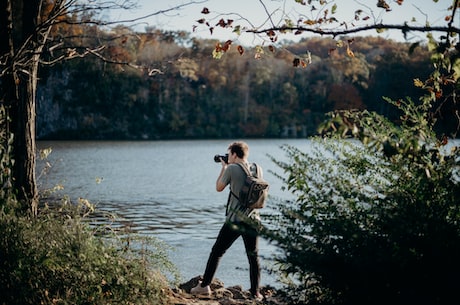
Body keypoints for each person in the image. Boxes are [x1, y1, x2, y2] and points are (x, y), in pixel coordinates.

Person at [191, 141, 263, 300]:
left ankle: (204, 286)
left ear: (235, 154)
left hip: (235, 220)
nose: (228, 156)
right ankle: (255, 293)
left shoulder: (231, 168)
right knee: (253, 257)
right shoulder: (257, 168)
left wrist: (223, 167)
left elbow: (219, 187)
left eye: (229, 154)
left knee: (217, 252)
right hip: (254, 220)